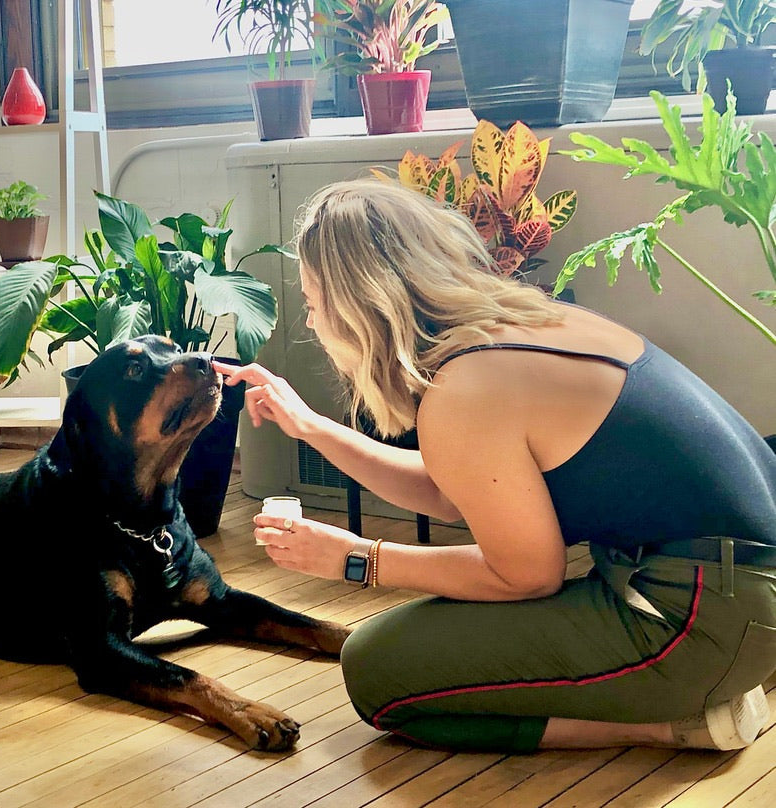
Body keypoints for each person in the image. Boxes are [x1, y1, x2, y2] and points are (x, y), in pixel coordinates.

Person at [214, 177, 776, 754]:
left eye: (311, 304)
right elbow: (456, 490)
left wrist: (357, 561)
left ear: (359, 303)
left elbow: (528, 574)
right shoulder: (519, 328)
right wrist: (309, 425)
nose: (309, 323)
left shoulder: (466, 389)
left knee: (379, 673)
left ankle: (672, 725)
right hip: (728, 589)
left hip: (699, 620)